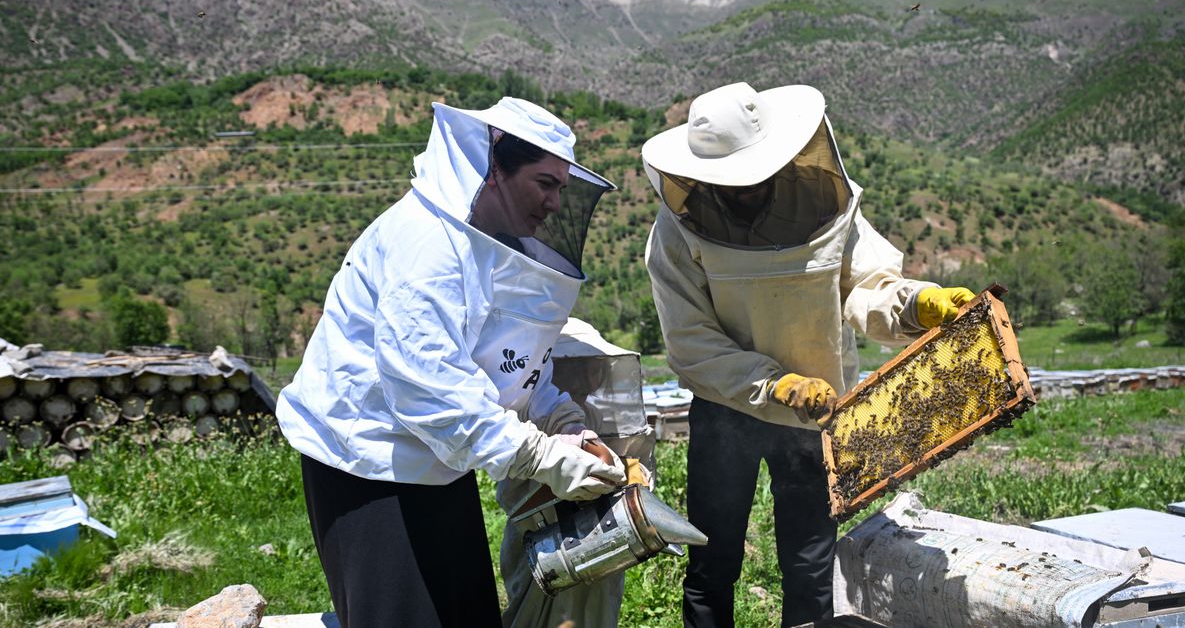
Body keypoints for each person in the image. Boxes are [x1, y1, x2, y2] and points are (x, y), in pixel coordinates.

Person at [275, 96, 626, 628]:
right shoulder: (428, 248)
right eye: (544, 183)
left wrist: (560, 420)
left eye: (561, 186)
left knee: (464, 615)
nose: (555, 203)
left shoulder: (490, 246)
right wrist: (540, 456)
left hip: (438, 461)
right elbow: (429, 389)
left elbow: (509, 360)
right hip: (369, 465)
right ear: (495, 172)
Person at [640, 82, 975, 627]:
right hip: (728, 407)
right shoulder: (677, 229)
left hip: (819, 414)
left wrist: (919, 304)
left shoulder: (830, 203)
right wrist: (775, 383)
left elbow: (865, 288)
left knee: (810, 567)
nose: (743, 190)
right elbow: (690, 339)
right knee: (712, 561)